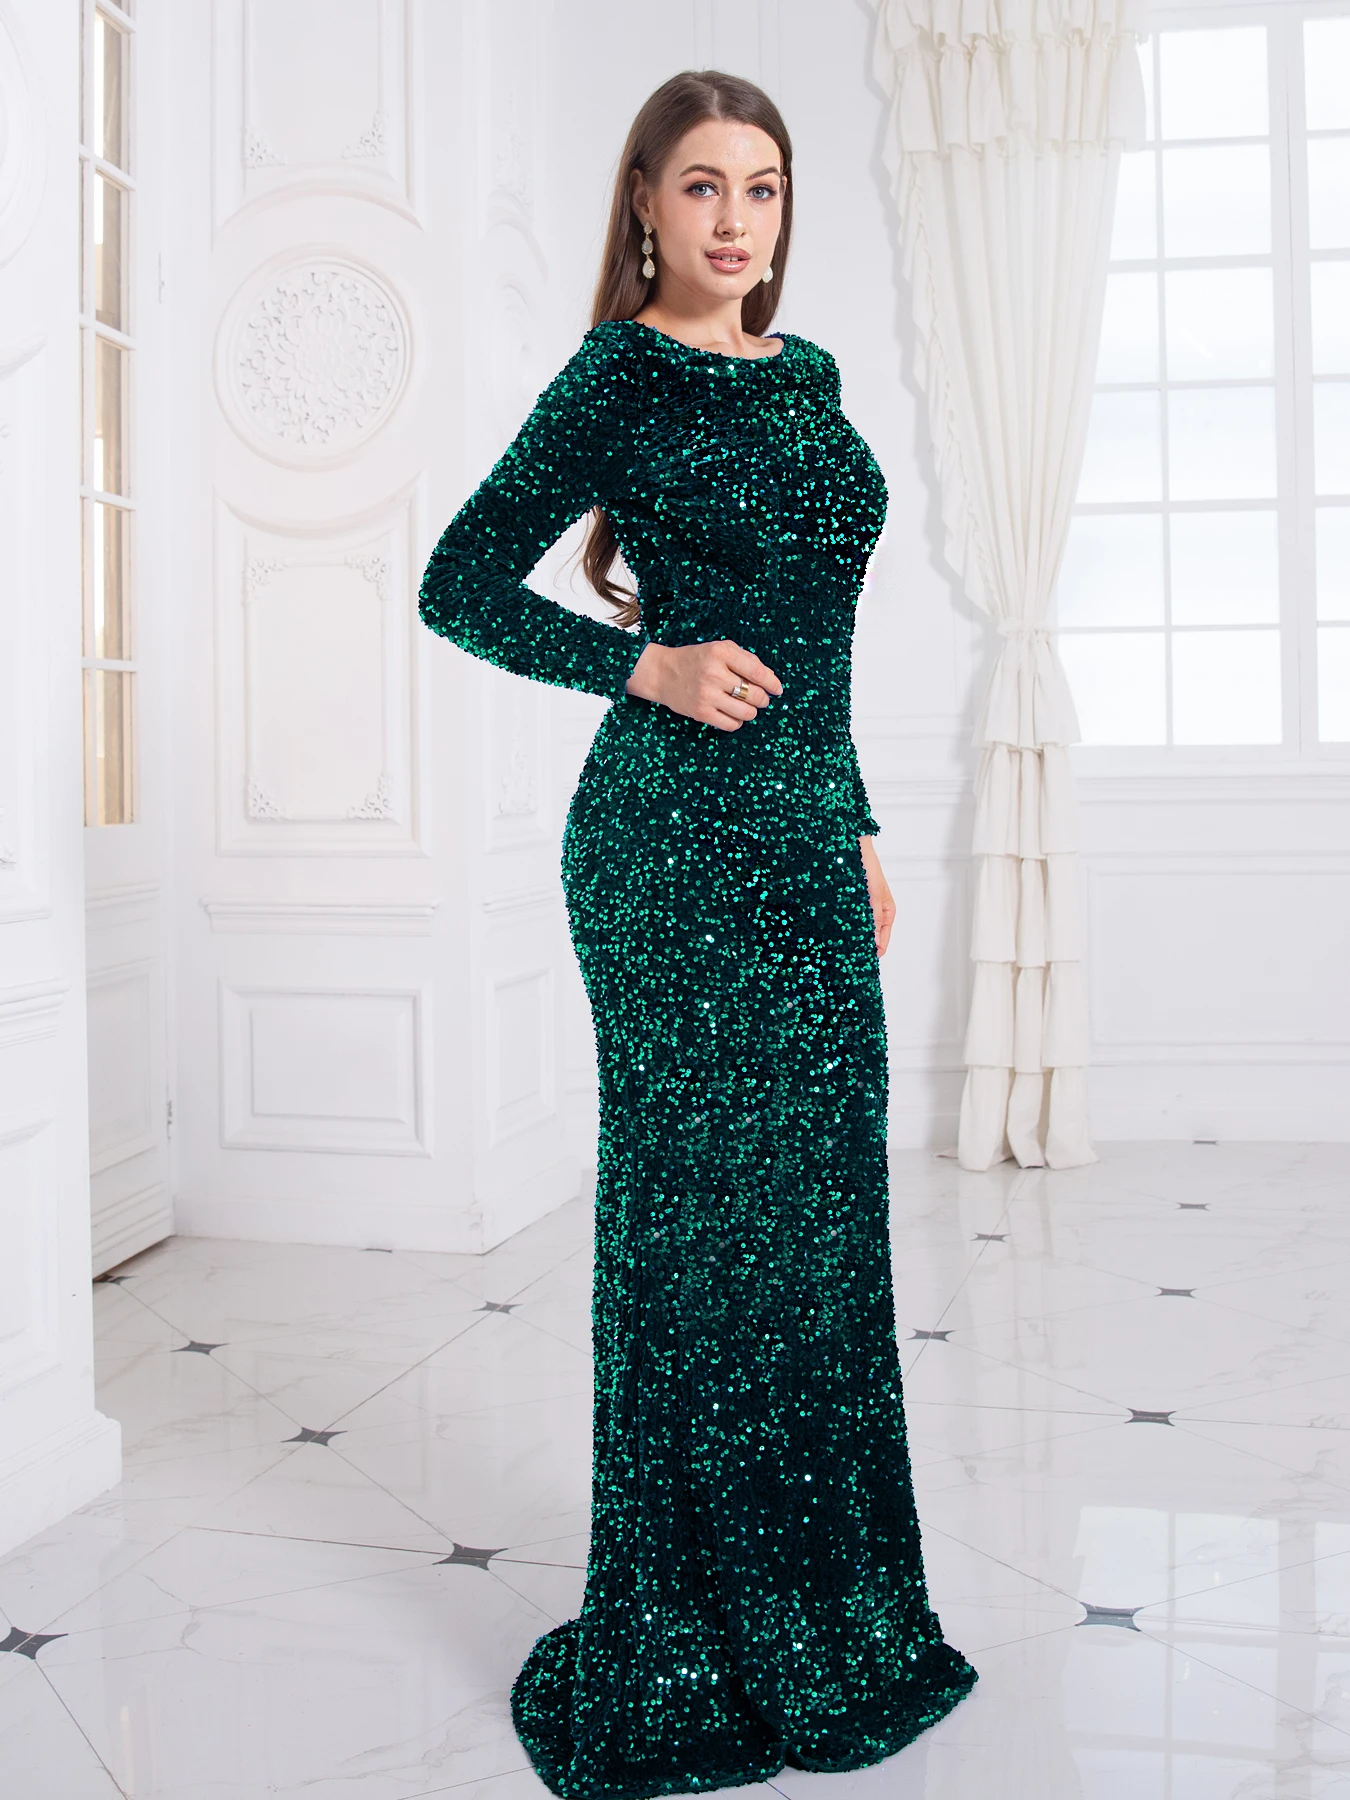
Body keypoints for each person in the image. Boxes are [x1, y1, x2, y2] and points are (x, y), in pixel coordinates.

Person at [418, 66, 978, 1800]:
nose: (736, 219)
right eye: (703, 187)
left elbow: (822, 639)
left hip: (802, 844)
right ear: (646, 207)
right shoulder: (613, 376)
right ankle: (679, 1632)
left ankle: (823, 1613)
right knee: (695, 1236)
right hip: (663, 851)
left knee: (816, 1232)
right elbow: (456, 583)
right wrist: (640, 665)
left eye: (763, 187)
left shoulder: (807, 379)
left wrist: (852, 817)